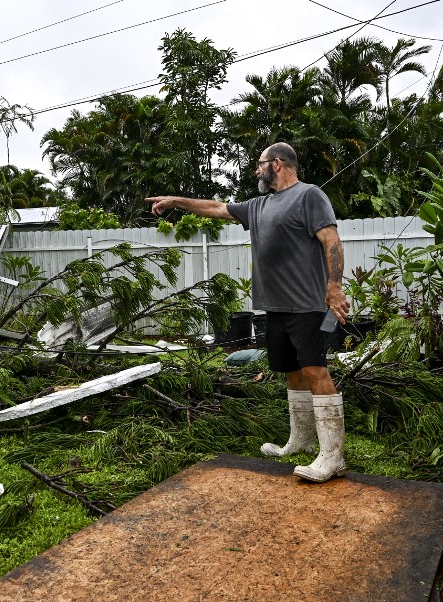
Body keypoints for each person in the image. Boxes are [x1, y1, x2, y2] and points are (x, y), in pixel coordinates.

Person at [146, 142, 350, 482]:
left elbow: (332, 241)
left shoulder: (309, 195)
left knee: (315, 371)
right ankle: (300, 441)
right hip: (275, 307)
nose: (256, 170)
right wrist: (176, 201)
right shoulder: (259, 205)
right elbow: (215, 207)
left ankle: (333, 456)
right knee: (291, 372)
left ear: (278, 163)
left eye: (260, 164)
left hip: (307, 305)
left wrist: (335, 287)